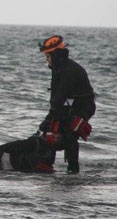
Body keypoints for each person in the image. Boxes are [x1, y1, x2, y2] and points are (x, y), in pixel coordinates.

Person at [37, 35, 96, 174]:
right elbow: (56, 99)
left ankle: (73, 170)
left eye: (48, 57)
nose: (46, 60)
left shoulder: (69, 71)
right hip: (68, 105)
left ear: (55, 55)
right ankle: (46, 165)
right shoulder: (58, 68)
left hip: (83, 107)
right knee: (51, 130)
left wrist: (49, 118)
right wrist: (50, 119)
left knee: (69, 133)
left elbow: (59, 98)